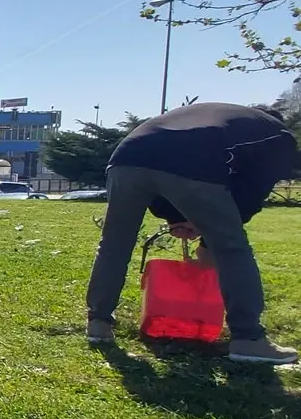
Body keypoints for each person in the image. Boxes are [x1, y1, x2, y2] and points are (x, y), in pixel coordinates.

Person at [85, 102, 299, 364]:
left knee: (114, 244)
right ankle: (248, 339)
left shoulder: (223, 120)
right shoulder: (278, 135)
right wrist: (208, 240)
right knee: (231, 247)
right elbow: (249, 194)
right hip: (189, 162)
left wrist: (178, 218)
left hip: (126, 157)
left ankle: (98, 323)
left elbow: (158, 171)